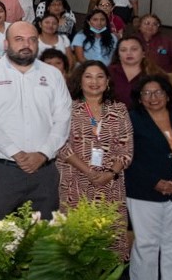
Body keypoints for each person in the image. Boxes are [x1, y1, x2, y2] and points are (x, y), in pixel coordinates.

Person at [0, 22, 72, 220]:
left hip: (44, 171)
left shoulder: (53, 75)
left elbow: (63, 118)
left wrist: (43, 153)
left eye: (32, 39)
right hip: (2, 170)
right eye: (19, 39)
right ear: (6, 43)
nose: (26, 44)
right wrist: (14, 152)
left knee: (44, 241)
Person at [57, 60, 132, 256]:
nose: (94, 81)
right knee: (75, 242)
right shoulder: (68, 108)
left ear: (107, 81)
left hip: (110, 185)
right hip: (75, 182)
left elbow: (126, 150)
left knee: (109, 241)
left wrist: (110, 173)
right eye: (88, 76)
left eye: (100, 76)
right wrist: (88, 171)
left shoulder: (119, 109)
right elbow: (60, 145)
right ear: (79, 81)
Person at [126, 75, 172, 280]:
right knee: (146, 243)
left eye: (158, 92)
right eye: (146, 93)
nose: (153, 97)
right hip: (144, 191)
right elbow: (127, 158)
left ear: (167, 95)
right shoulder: (132, 119)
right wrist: (155, 182)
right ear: (140, 98)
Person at [110, 36, 159, 109]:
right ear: (119, 55)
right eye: (123, 50)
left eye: (134, 49)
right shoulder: (108, 72)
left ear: (143, 53)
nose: (129, 53)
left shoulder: (155, 74)